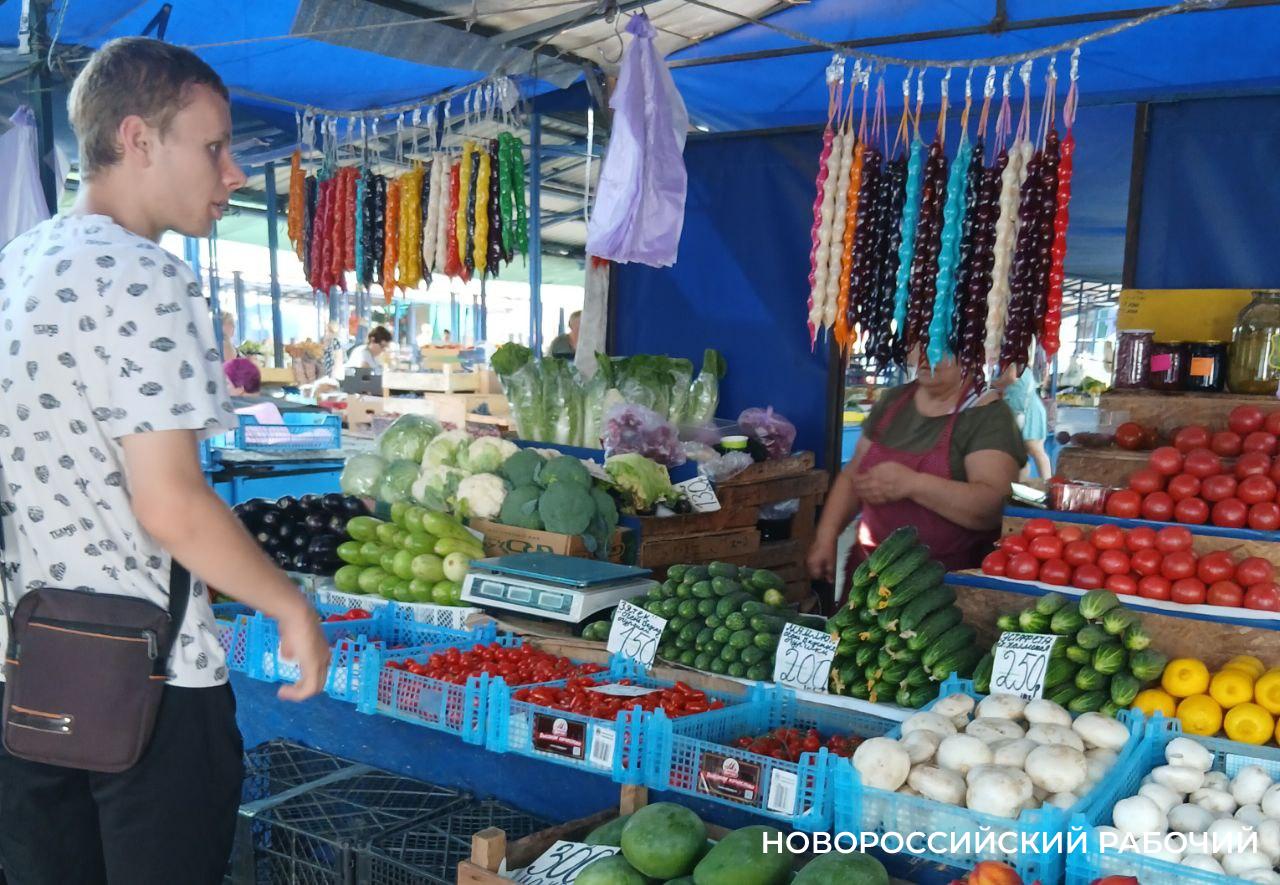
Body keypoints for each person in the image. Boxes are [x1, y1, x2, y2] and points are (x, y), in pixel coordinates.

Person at [0, 37, 329, 885]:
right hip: (150, 685)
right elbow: (171, 504)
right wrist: (289, 605)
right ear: (139, 139)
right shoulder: (149, 277)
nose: (234, 175)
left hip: (27, 673)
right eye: (214, 147)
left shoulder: (15, 266)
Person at [807, 348, 1026, 590]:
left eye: (943, 345)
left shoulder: (988, 415)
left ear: (975, 350)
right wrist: (827, 535)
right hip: (868, 577)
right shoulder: (893, 401)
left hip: (943, 592)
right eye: (920, 341)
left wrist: (912, 484)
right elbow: (853, 475)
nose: (927, 353)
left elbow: (992, 507)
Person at [995, 364, 1053, 481]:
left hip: (1029, 412)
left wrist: (991, 384)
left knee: (1034, 448)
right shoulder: (1004, 366)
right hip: (1017, 412)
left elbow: (1010, 378)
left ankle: (1048, 484)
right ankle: (1020, 486)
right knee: (1018, 453)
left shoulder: (1014, 363)